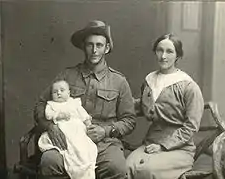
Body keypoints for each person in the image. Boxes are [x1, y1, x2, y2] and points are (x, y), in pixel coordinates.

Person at [34, 20, 136, 179]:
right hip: (68, 140)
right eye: (90, 45)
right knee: (50, 161)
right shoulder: (67, 76)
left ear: (107, 48)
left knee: (116, 167)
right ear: (83, 46)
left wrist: (105, 131)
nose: (94, 50)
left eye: (99, 45)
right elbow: (41, 105)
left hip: (104, 144)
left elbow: (129, 120)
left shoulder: (119, 81)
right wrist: (50, 126)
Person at [126, 34, 204, 179]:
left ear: (177, 56)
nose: (163, 56)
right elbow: (142, 106)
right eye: (159, 50)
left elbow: (191, 126)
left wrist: (163, 146)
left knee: (147, 171)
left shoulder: (188, 86)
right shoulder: (149, 80)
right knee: (127, 167)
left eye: (169, 51)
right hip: (150, 142)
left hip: (179, 148)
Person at [38, 80, 97, 179]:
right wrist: (58, 115)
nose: (59, 93)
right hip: (61, 130)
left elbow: (82, 112)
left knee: (81, 147)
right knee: (65, 150)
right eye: (55, 92)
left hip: (76, 130)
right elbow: (48, 115)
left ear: (69, 93)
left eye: (62, 90)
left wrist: (87, 121)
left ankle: (82, 166)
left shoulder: (73, 103)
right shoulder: (51, 104)